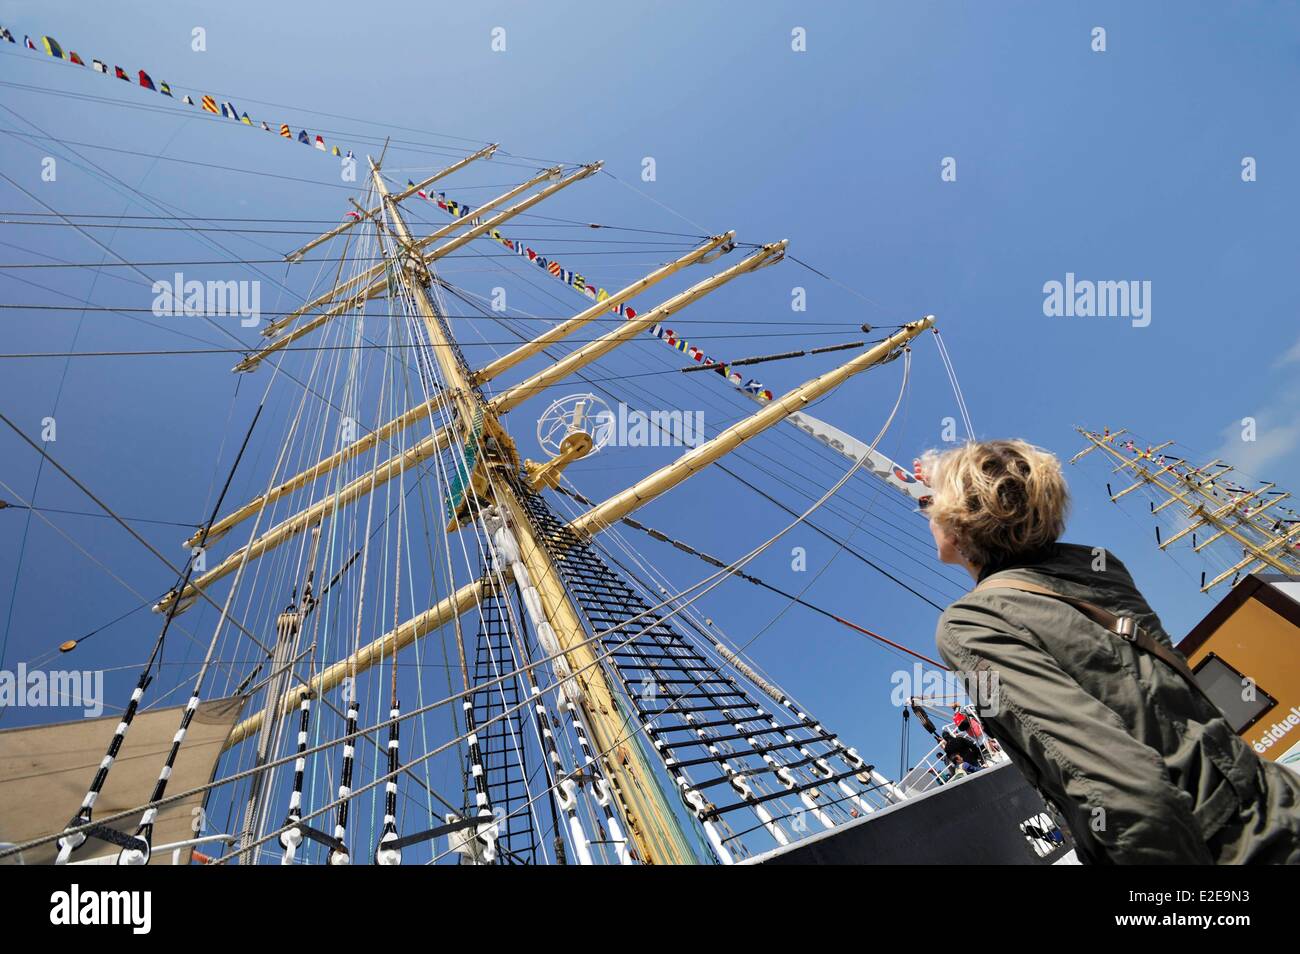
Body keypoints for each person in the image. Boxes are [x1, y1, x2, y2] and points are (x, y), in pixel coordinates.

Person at [919, 439, 1300, 864]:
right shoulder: (1099, 565)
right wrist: (962, 484)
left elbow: (1127, 793)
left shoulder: (972, 623)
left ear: (955, 521)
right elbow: (1014, 518)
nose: (927, 513)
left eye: (930, 507)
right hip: (1278, 804)